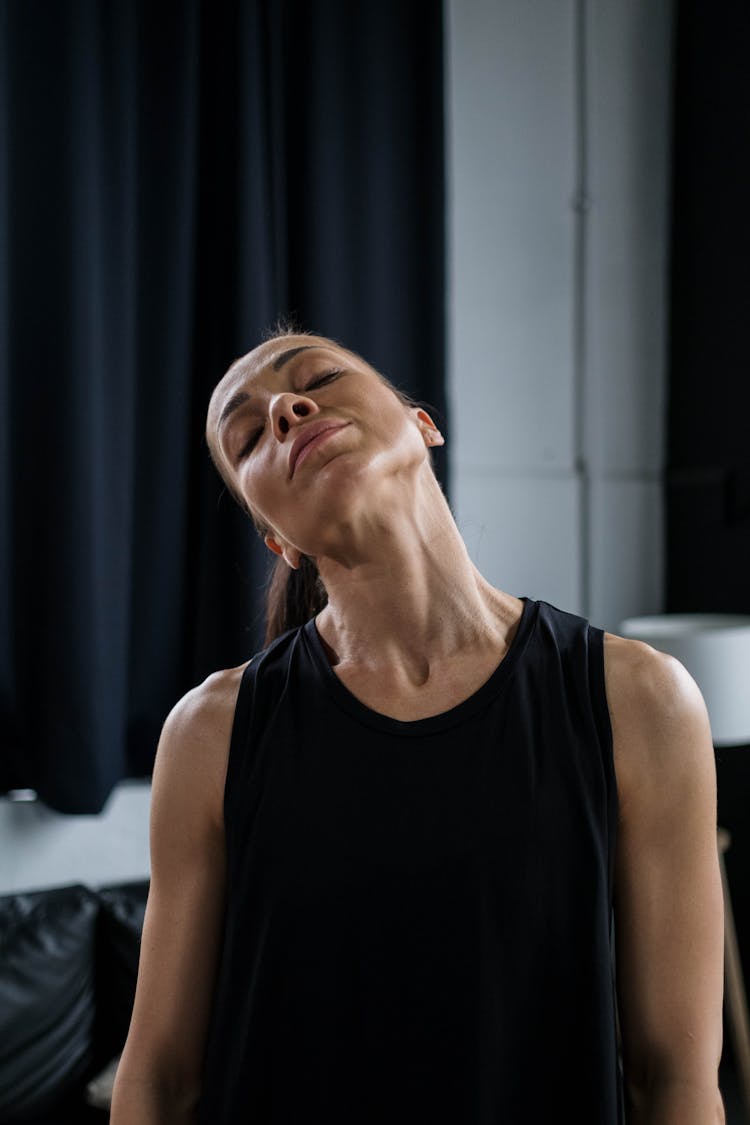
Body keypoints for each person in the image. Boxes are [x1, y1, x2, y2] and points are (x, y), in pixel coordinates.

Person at [110, 327, 726, 1124]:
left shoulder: (641, 700)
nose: (290, 410)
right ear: (279, 541)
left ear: (422, 423)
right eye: (251, 432)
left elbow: (674, 1078)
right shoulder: (211, 732)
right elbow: (158, 1078)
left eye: (319, 378)